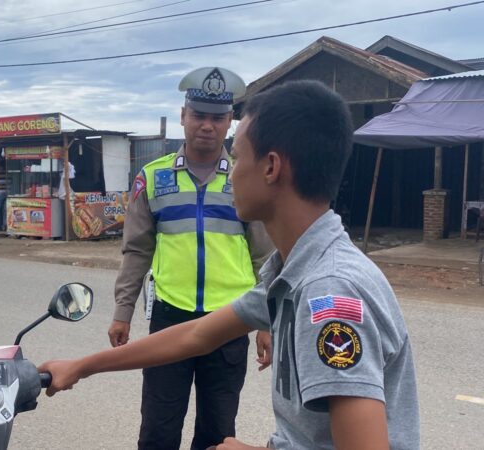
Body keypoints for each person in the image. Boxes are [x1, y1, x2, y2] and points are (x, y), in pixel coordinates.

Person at [40, 80, 420, 449]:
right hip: (174, 309)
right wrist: (82, 366)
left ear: (271, 168)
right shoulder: (290, 275)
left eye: (237, 157)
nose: (230, 171)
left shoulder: (329, 290)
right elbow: (194, 336)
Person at [108, 66, 274, 450]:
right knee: (158, 429)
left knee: (218, 432)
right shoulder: (152, 178)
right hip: (170, 318)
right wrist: (123, 310)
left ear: (230, 122)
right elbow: (137, 250)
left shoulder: (245, 178)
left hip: (230, 321)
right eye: (198, 115)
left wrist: (267, 321)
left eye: (217, 118)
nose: (207, 126)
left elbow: (265, 256)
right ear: (183, 116)